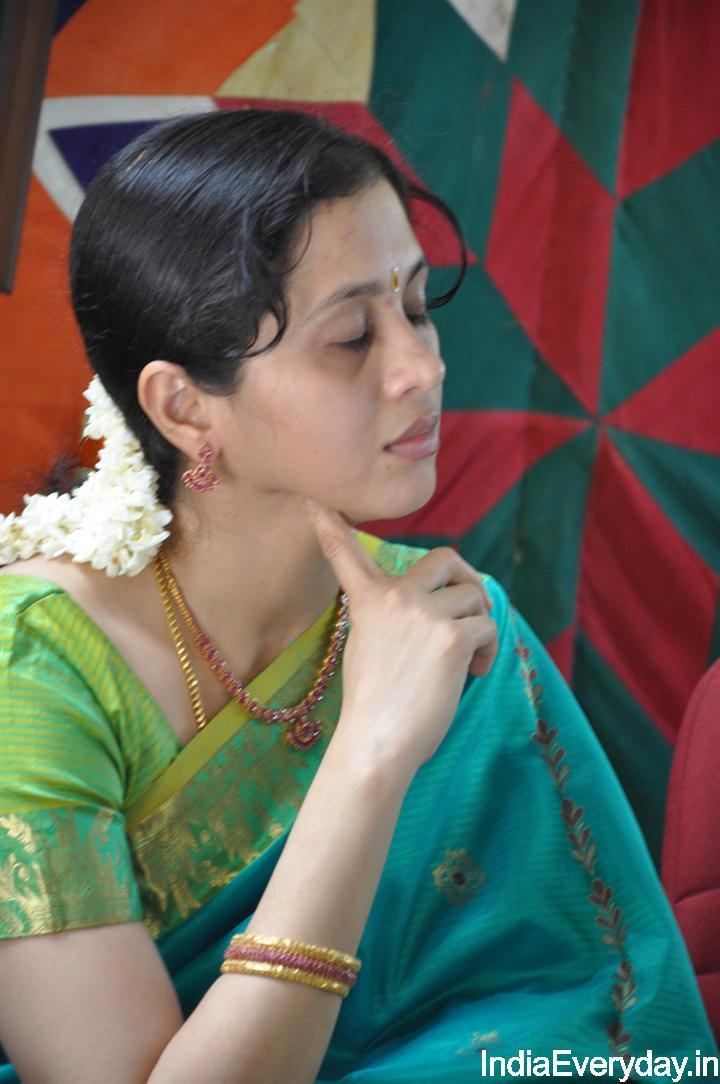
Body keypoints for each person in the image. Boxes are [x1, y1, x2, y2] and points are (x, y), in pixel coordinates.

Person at [0, 110, 715, 1084]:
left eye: (418, 306)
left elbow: (602, 1022)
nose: (424, 368)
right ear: (183, 404)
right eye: (349, 338)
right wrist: (370, 750)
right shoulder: (32, 667)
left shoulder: (452, 627)